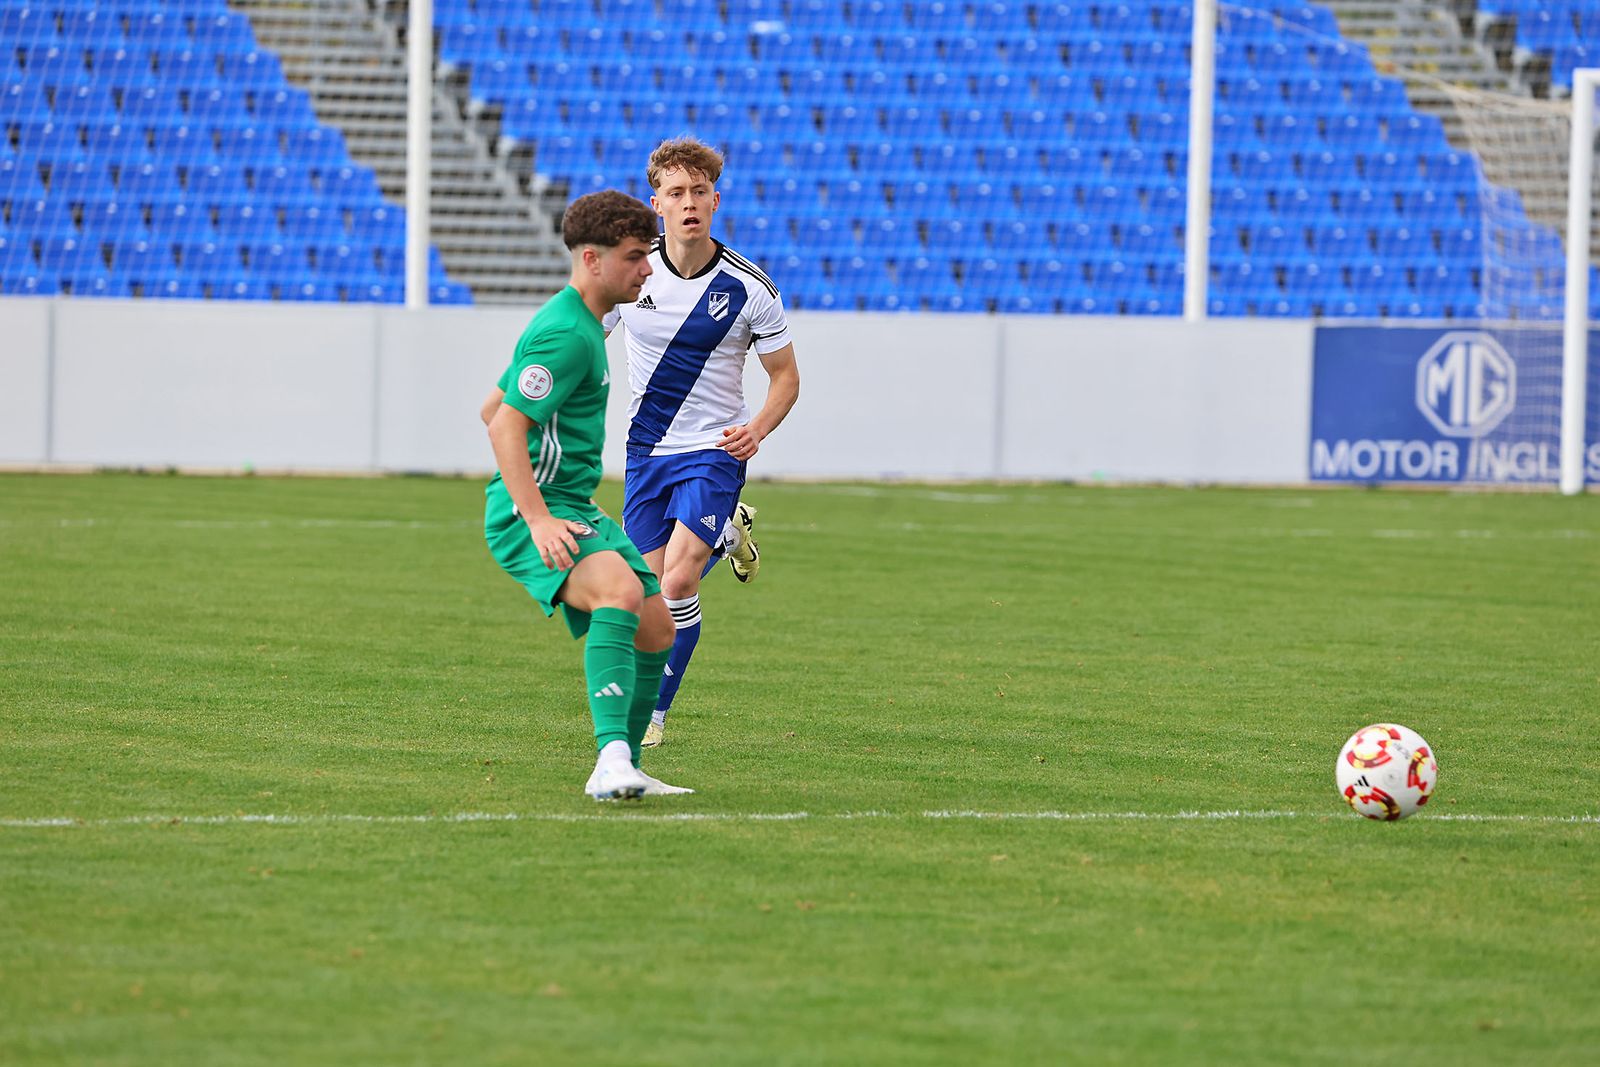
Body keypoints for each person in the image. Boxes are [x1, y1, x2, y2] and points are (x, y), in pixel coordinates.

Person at [481, 189, 691, 801]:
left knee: (657, 628)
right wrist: (538, 517)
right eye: (634, 257)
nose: (647, 268)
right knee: (621, 593)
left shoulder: (578, 323)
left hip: (571, 503)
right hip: (532, 511)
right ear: (592, 259)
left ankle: (624, 767)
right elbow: (503, 425)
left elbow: (493, 404)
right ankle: (613, 759)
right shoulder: (568, 334)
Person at [603, 136, 801, 749]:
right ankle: (729, 530)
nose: (688, 203)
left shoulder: (749, 288)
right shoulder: (632, 274)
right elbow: (584, 330)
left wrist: (757, 429)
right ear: (656, 204)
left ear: (715, 201)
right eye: (675, 193)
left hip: (715, 451)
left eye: (698, 193)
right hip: (646, 454)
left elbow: (786, 378)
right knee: (648, 593)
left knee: (679, 583)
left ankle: (655, 714)